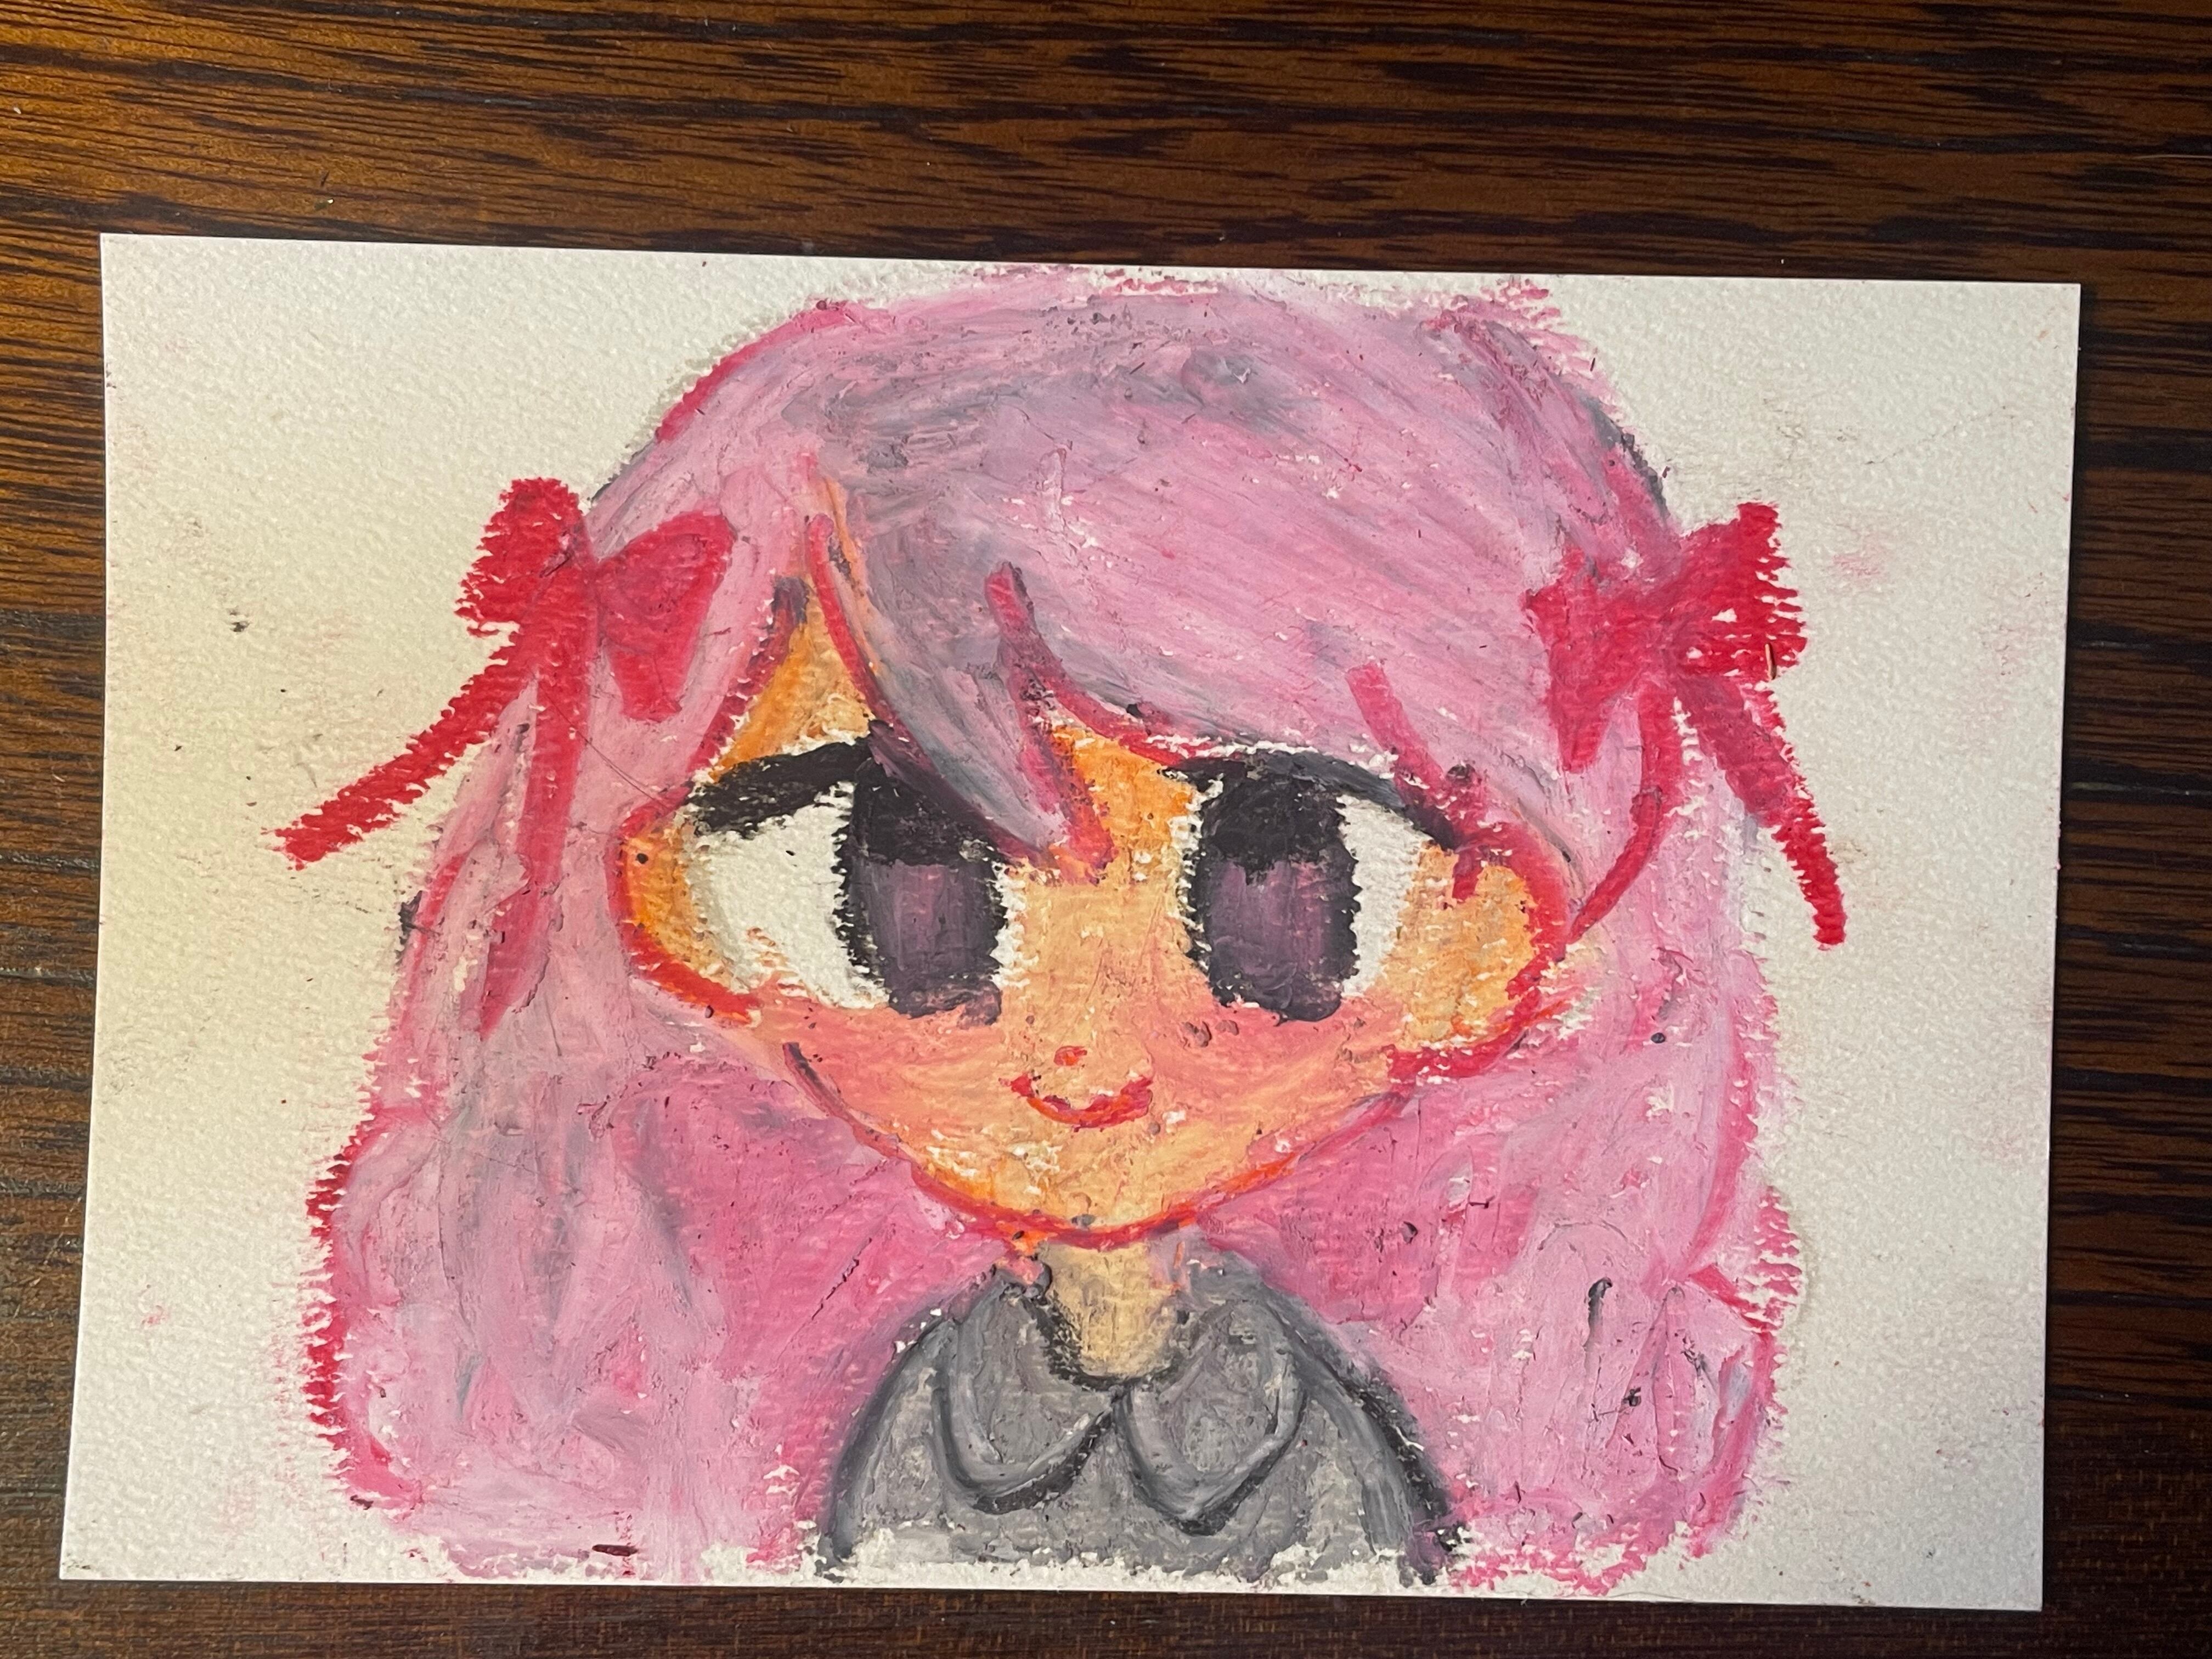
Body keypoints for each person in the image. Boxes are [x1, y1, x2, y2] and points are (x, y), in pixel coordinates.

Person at [282, 270, 1842, 1589]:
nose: (1090, 1053)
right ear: (686, 905)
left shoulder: (1314, 1437)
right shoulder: (920, 1410)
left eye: (1281, 896)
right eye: (903, 896)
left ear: (1494, 945)